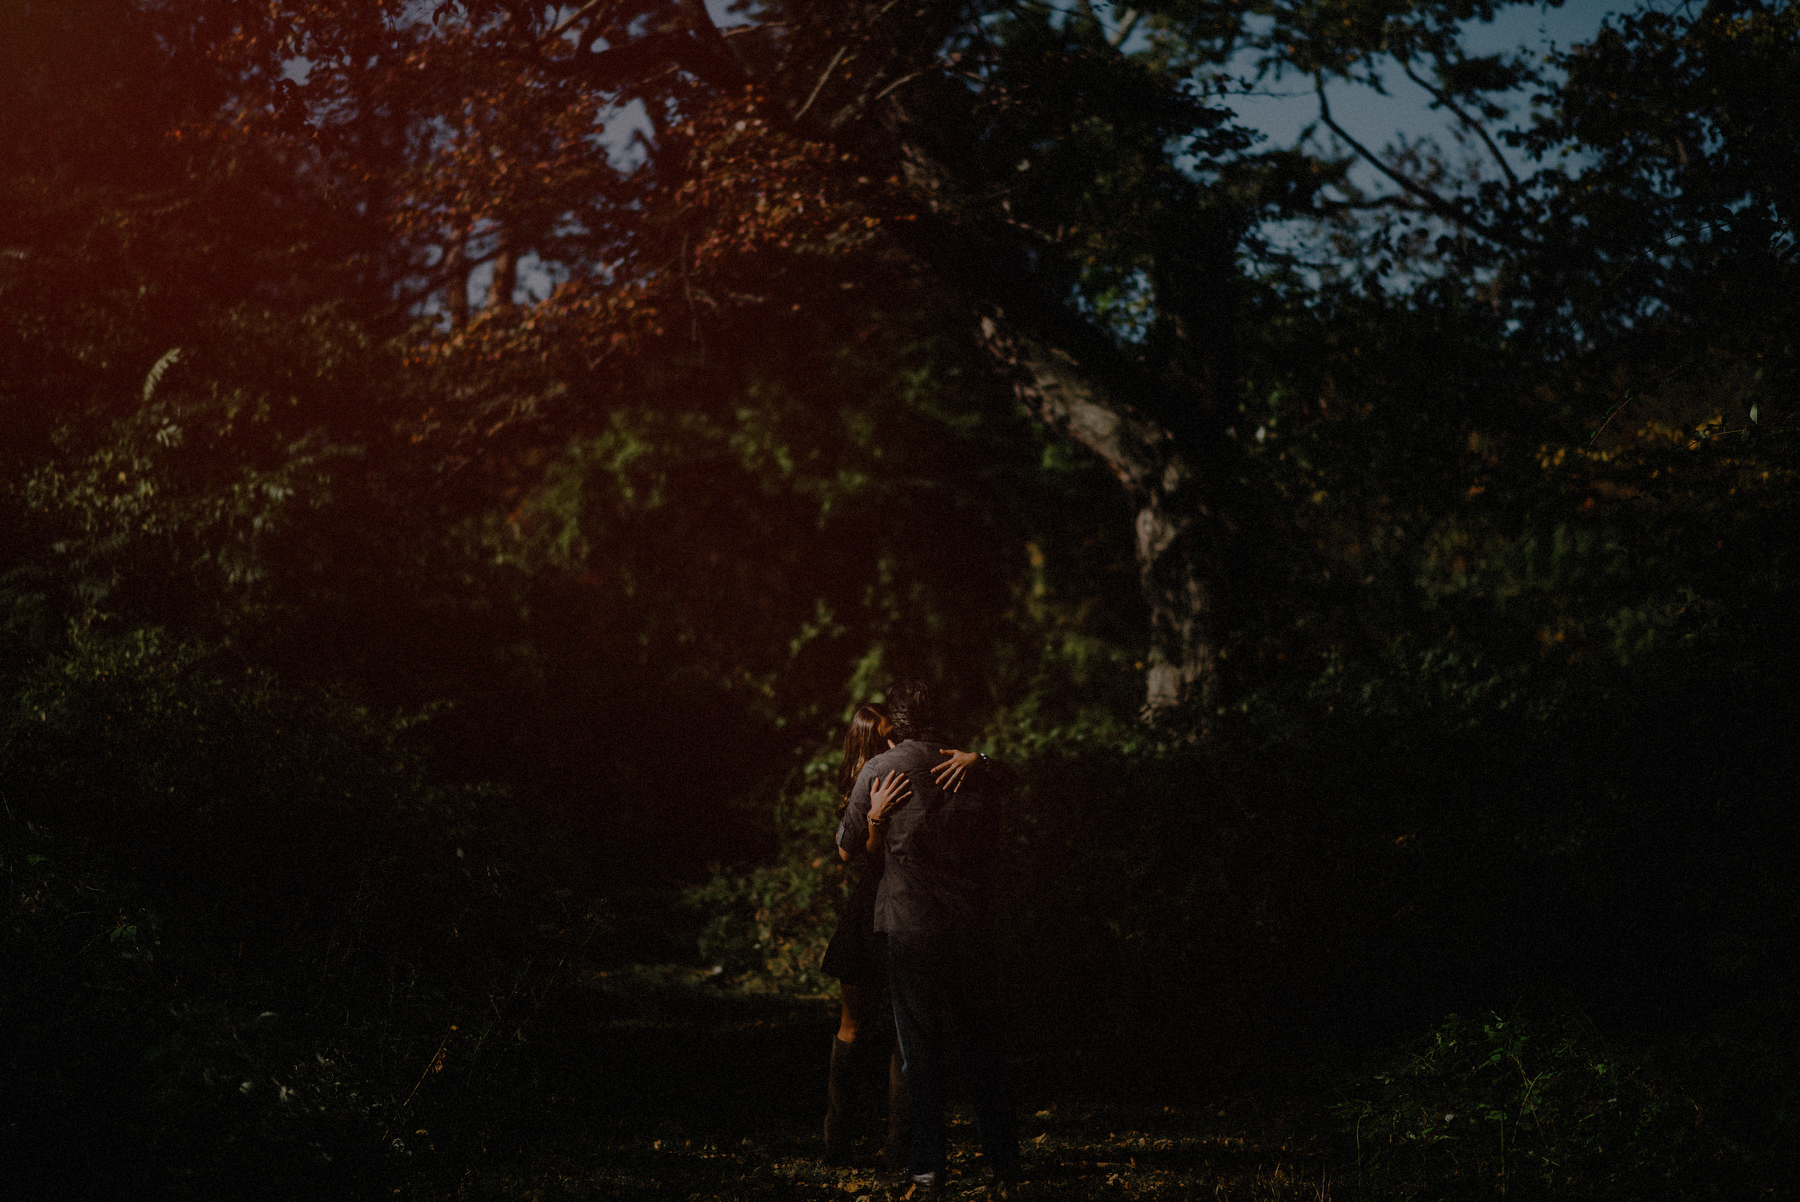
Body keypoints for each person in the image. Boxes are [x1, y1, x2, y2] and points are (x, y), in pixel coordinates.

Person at [837, 678, 1020, 1191]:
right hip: (970, 923)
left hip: (911, 925)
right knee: (983, 1045)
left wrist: (874, 817)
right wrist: (981, 758)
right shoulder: (970, 766)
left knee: (920, 1050)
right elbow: (1016, 779)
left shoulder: (880, 769)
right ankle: (1002, 1162)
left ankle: (928, 1164)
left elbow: (847, 847)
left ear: (893, 724)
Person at [820, 705, 986, 1169]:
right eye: (887, 738)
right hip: (873, 907)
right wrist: (874, 817)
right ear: (871, 742)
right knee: (854, 1026)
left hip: (910, 908)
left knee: (905, 1035)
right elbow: (849, 853)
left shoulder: (913, 768)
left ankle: (899, 1149)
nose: (896, 745)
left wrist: (983, 759)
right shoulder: (871, 777)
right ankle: (837, 1144)